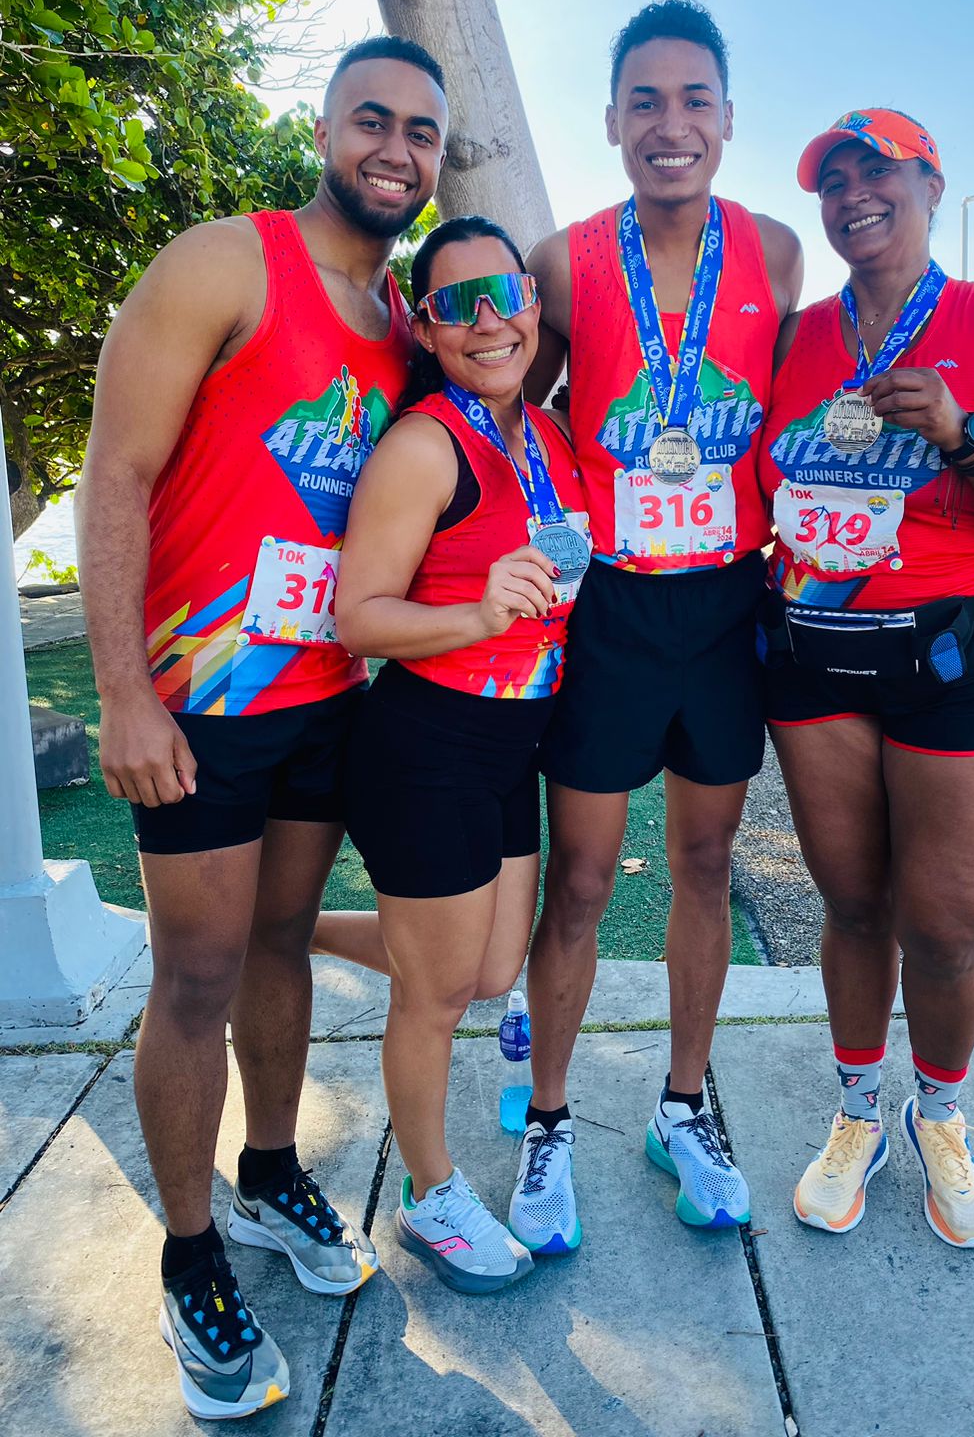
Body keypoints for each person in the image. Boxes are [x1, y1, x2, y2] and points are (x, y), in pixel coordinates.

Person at [77, 36, 448, 1419]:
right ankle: (189, 1262)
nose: (395, 150)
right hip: (205, 702)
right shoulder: (225, 264)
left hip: (330, 699)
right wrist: (124, 690)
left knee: (282, 945)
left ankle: (272, 1171)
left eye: (420, 131)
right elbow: (117, 473)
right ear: (327, 130)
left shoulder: (404, 321)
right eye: (372, 120)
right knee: (196, 976)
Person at [757, 108, 974, 1249]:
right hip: (819, 652)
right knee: (853, 904)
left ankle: (940, 1116)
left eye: (880, 170)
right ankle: (859, 1109)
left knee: (947, 927)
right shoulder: (796, 338)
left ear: (931, 186)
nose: (855, 192)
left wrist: (965, 434)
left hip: (961, 653)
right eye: (835, 179)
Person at [510, 0, 803, 1252]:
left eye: (694, 100)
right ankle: (549, 1117)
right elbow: (507, 417)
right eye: (646, 100)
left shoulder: (776, 252)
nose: (669, 124)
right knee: (580, 878)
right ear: (613, 119)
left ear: (727, 118)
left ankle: (683, 1105)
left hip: (727, 603)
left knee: (704, 864)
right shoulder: (562, 260)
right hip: (613, 609)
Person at [324, 216, 589, 1292]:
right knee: (432, 1000)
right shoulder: (425, 446)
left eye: (505, 294)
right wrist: (477, 613)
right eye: (456, 305)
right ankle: (429, 1198)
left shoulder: (550, 436)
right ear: (426, 330)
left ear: (533, 305)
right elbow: (358, 615)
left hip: (511, 743)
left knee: (486, 972)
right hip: (427, 744)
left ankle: (284, 930)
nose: (488, 320)